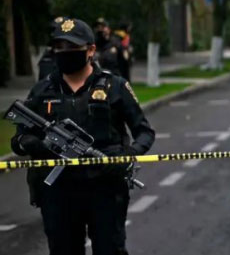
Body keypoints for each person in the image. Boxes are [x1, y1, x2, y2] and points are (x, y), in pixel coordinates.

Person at [10, 18, 156, 255]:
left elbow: (144, 132)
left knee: (110, 250)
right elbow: (18, 140)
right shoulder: (42, 91)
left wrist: (128, 154)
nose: (65, 53)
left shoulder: (114, 86)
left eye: (72, 48)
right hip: (58, 191)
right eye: (60, 47)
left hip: (105, 188)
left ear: (90, 50)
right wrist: (31, 143)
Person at [37, 16, 65, 81]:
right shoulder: (47, 57)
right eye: (53, 30)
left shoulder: (76, 56)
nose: (53, 34)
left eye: (59, 30)